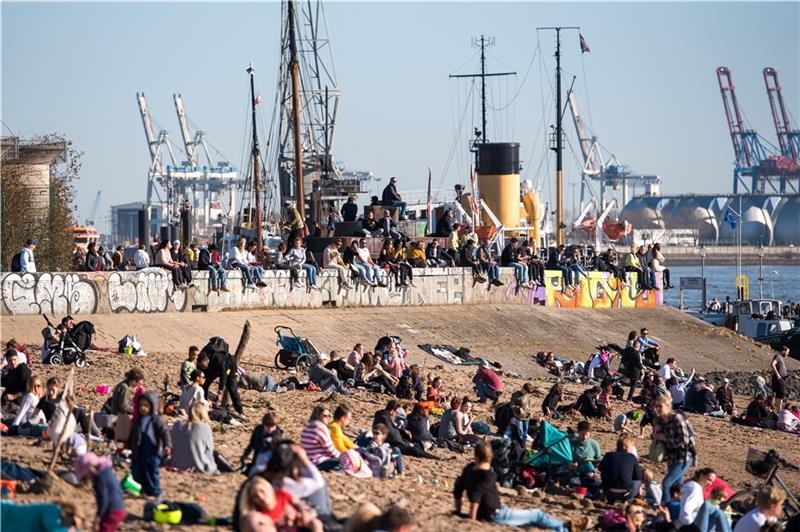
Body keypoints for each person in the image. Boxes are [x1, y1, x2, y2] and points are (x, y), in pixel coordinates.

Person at [453, 441, 568, 530]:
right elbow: (476, 496)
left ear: (476, 456)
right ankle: (566, 529)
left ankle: (563, 528)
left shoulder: (468, 469)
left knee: (532, 522)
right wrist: (472, 519)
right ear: (490, 457)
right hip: (496, 514)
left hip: (494, 512)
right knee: (537, 515)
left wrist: (458, 511)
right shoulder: (488, 475)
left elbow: (458, 490)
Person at [651, 394, 695, 505]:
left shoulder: (676, 418)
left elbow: (684, 440)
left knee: (666, 483)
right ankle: (679, 507)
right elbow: (655, 439)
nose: (657, 408)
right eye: (656, 406)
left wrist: (664, 437)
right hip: (671, 457)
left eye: (660, 406)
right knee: (678, 485)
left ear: (667, 406)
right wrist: (656, 431)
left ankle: (665, 507)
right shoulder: (659, 420)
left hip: (684, 456)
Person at [128, 392, 172, 498]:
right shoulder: (138, 421)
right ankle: (143, 490)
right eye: (141, 405)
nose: (143, 408)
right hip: (139, 450)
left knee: (152, 472)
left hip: (152, 450)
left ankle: (155, 492)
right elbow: (133, 435)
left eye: (146, 406)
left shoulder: (156, 420)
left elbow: (164, 432)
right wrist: (128, 444)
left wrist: (167, 444)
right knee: (137, 470)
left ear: (153, 406)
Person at [74, 452, 126, 532]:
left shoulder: (99, 478)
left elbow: (103, 499)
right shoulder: (106, 471)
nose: (87, 479)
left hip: (112, 511)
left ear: (90, 468)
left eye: (85, 476)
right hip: (119, 508)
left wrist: (98, 518)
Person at [170, 401, 218, 473]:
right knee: (217, 458)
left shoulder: (177, 425)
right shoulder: (204, 427)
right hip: (199, 466)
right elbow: (209, 452)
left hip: (177, 464)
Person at [198, 341, 244, 416]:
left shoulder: (218, 359)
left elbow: (224, 375)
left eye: (204, 366)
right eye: (201, 366)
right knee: (204, 386)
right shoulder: (201, 359)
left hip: (229, 367)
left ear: (207, 360)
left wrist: (220, 391)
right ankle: (205, 404)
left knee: (232, 389)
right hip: (213, 369)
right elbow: (199, 372)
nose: (203, 368)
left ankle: (240, 411)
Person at [598, 435, 642, 503]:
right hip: (627, 493)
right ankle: (628, 499)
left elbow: (600, 468)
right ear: (627, 447)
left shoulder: (608, 455)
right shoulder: (632, 457)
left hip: (609, 492)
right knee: (637, 481)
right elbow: (638, 476)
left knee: (604, 472)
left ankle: (609, 498)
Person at [299, 406, 340, 471]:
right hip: (319, 462)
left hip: (309, 462)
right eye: (325, 416)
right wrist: (342, 457)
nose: (328, 418)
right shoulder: (319, 430)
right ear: (318, 416)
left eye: (329, 416)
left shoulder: (306, 429)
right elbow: (330, 450)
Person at [770, 345, 789, 412]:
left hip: (780, 378)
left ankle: (778, 410)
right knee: (781, 394)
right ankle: (779, 411)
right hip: (779, 379)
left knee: (779, 394)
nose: (787, 354)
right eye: (787, 352)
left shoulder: (780, 357)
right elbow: (772, 364)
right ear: (783, 351)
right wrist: (778, 374)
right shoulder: (778, 356)